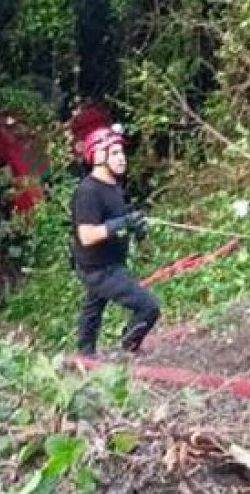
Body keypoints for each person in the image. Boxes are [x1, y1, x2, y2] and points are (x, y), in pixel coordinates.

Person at [70, 126, 160, 357]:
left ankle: (85, 353)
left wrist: (136, 228)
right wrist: (122, 224)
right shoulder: (88, 191)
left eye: (122, 153)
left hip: (111, 262)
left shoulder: (112, 187)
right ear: (99, 157)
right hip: (98, 269)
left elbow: (116, 221)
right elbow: (87, 235)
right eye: (115, 154)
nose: (122, 159)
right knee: (148, 307)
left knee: (94, 306)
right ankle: (128, 347)